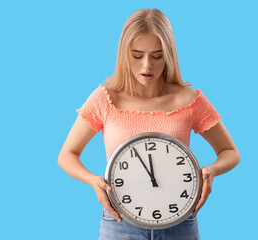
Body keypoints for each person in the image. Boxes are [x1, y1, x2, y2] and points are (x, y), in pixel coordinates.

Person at [58, 8, 240, 240]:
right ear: (124, 54)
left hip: (180, 223)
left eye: (157, 56)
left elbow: (230, 152)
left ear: (169, 55)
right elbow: (67, 155)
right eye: (137, 55)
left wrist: (210, 171)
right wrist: (93, 181)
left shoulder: (189, 99)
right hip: (119, 223)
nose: (147, 66)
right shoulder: (105, 99)